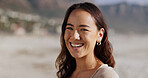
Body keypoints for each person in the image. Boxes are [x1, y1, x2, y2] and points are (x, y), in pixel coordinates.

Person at [55, 2, 119, 78]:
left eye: (83, 29)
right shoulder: (67, 72)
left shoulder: (106, 75)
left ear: (100, 35)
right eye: (69, 28)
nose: (74, 36)